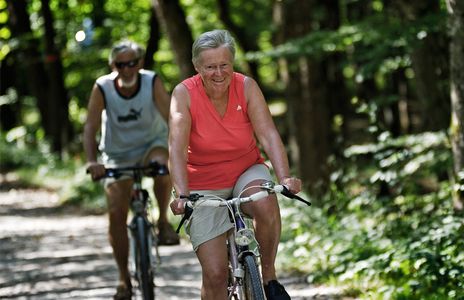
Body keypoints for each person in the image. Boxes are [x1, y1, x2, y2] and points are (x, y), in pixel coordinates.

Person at [168, 29, 302, 300]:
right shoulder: (184, 94)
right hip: (201, 185)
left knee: (265, 200)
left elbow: (268, 134)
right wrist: (181, 194)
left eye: (224, 65)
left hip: (245, 170)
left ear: (232, 63)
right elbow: (177, 148)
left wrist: (285, 177)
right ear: (197, 67)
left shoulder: (246, 86)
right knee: (216, 275)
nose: (219, 73)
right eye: (210, 67)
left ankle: (269, 278)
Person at [83, 40, 180, 300]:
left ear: (140, 63)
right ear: (112, 65)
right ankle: (123, 278)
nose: (127, 69)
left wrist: (181, 150)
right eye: (121, 64)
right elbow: (91, 126)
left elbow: (173, 117)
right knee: (116, 211)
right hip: (117, 153)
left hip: (152, 144)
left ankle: (162, 222)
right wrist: (93, 161)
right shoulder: (102, 87)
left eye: (132, 63)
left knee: (162, 168)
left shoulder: (151, 81)